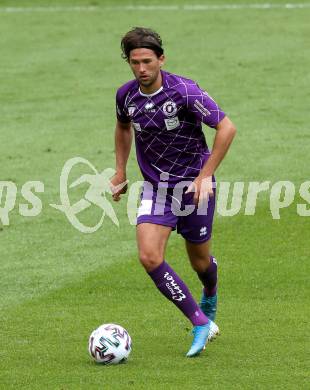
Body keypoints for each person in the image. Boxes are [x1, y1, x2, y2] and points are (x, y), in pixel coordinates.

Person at [110, 27, 236, 357]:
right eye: (134, 62)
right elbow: (123, 127)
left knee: (200, 262)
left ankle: (211, 286)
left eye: (147, 61)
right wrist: (121, 170)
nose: (141, 69)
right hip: (156, 187)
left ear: (161, 59)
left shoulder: (184, 92)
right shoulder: (126, 96)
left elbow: (227, 127)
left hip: (194, 187)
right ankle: (198, 322)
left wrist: (206, 175)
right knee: (149, 256)